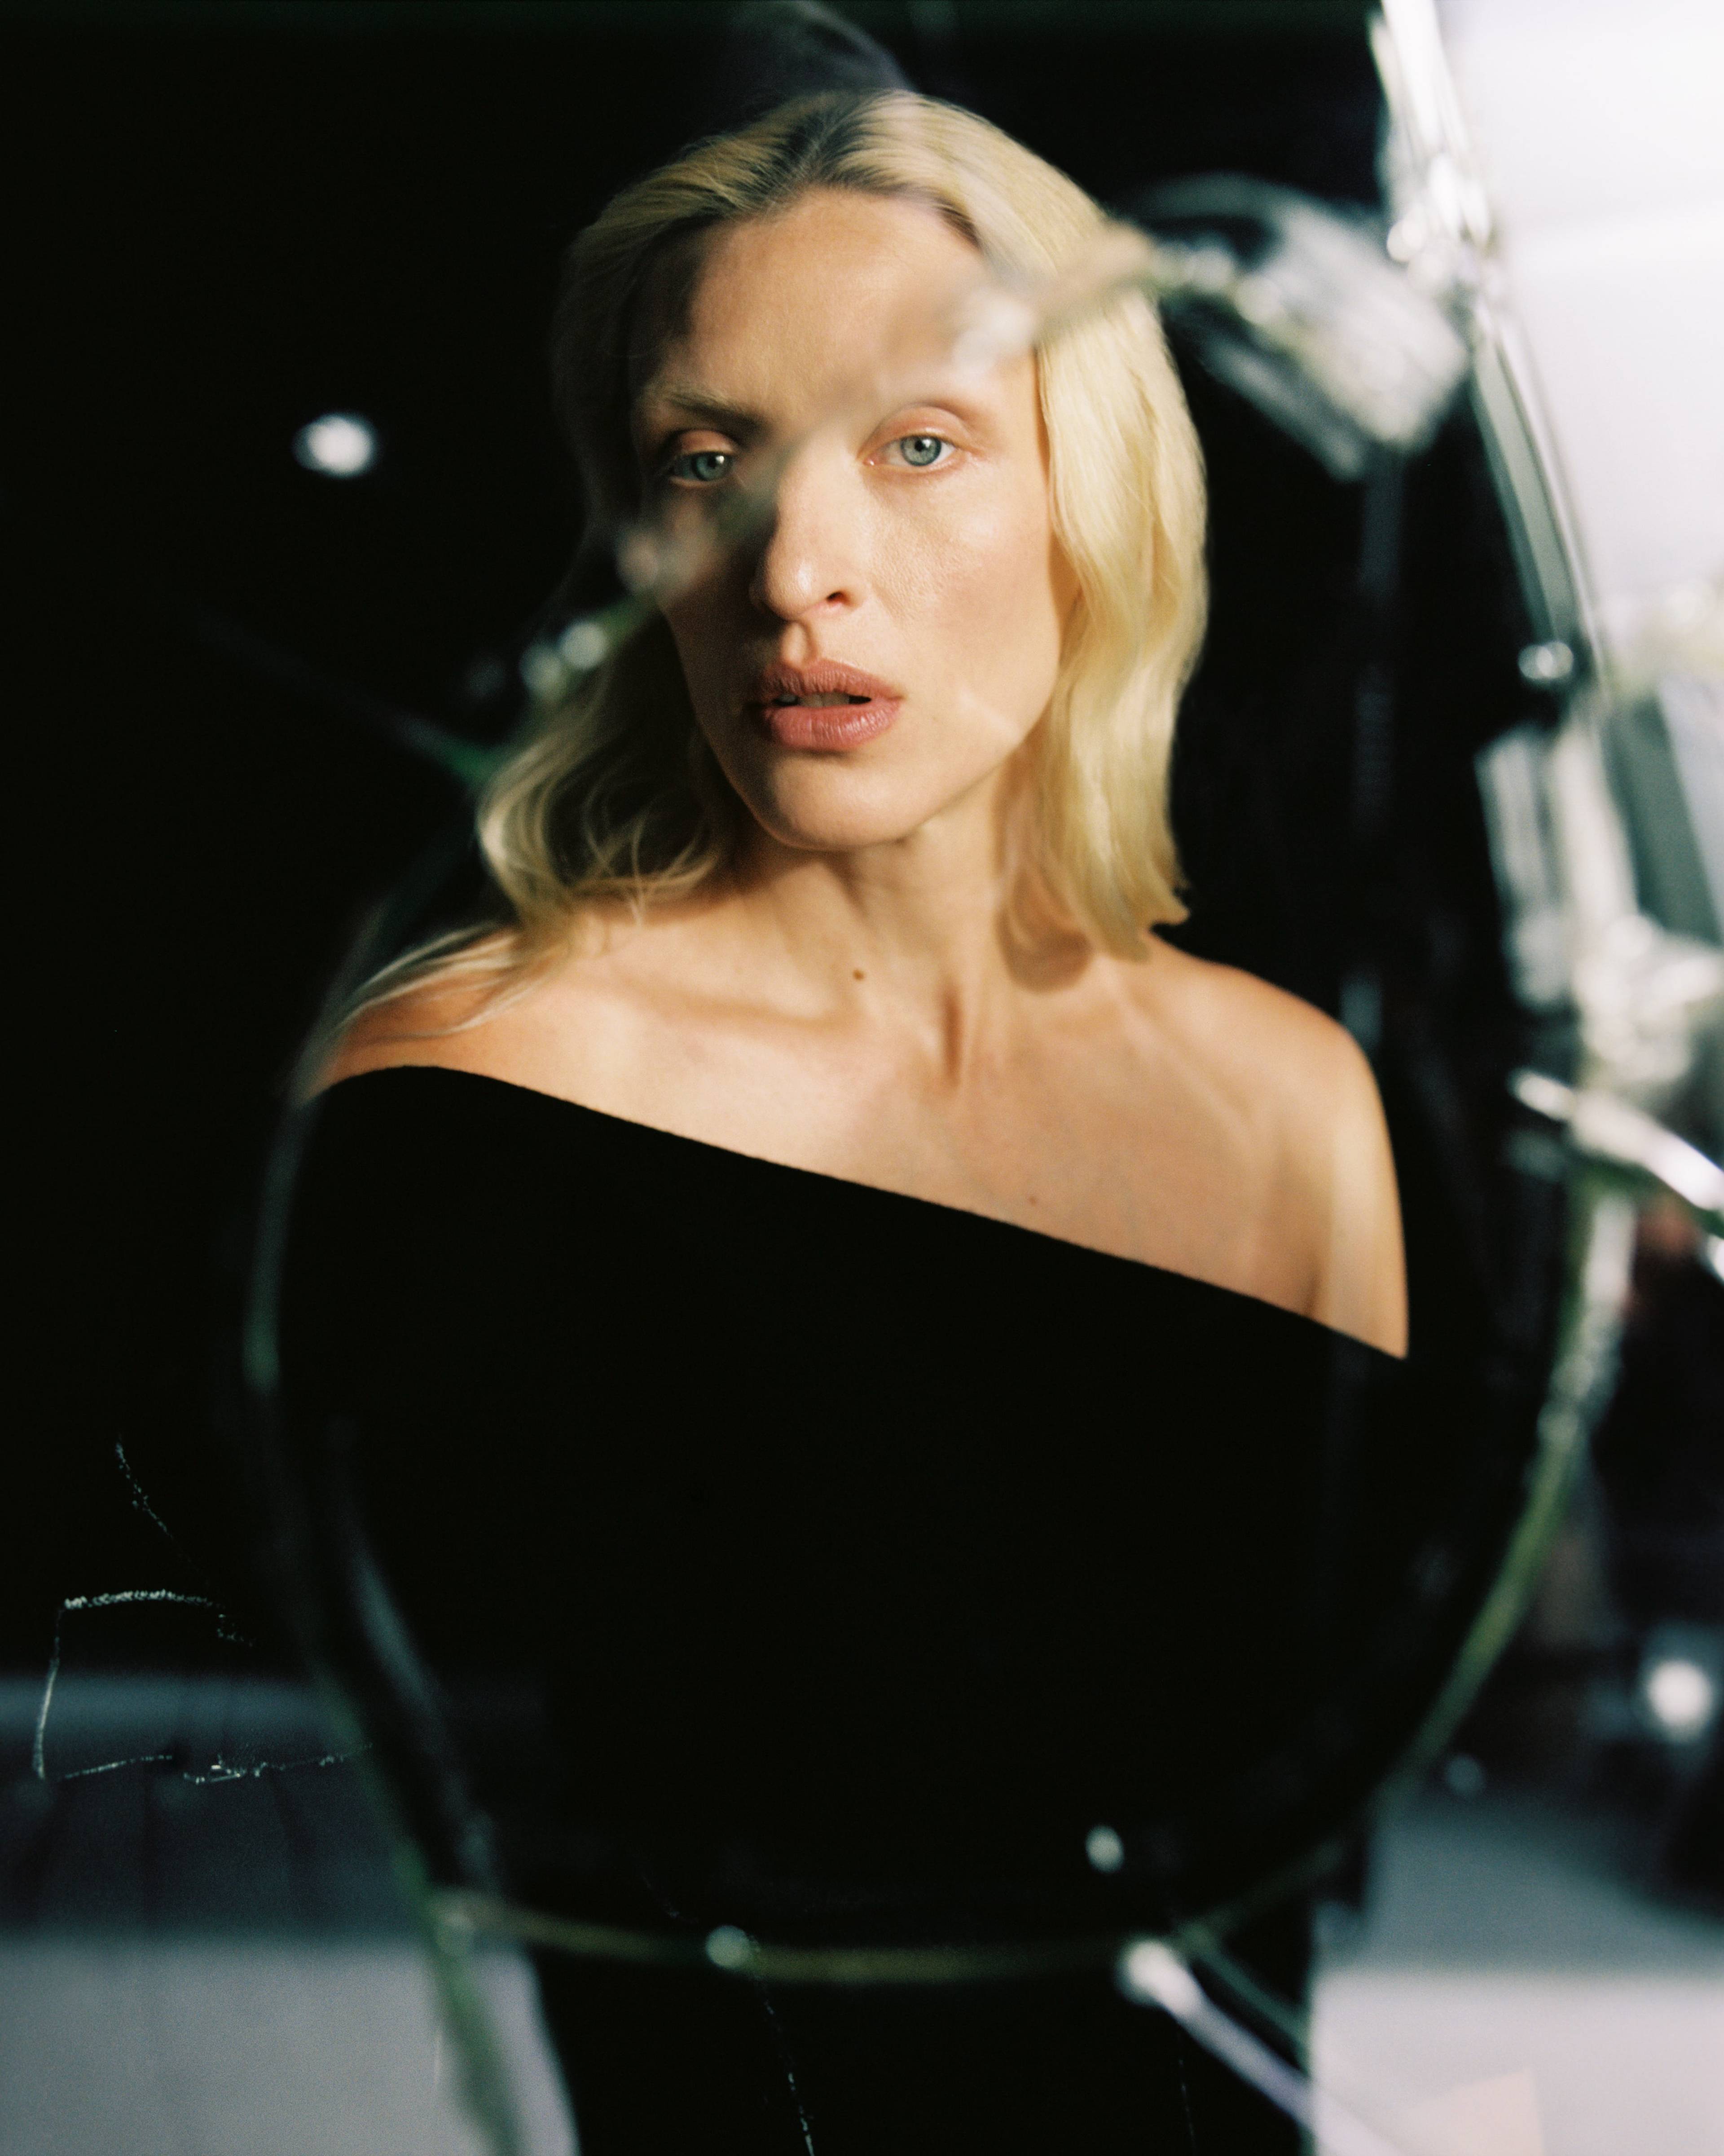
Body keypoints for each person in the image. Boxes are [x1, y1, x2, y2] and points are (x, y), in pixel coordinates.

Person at [283, 90, 1406, 2153]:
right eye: (707, 461)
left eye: (919, 445)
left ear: (1095, 494)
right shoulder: (494, 1072)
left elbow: (1287, 1812)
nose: (800, 572)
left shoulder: (1287, 1099)